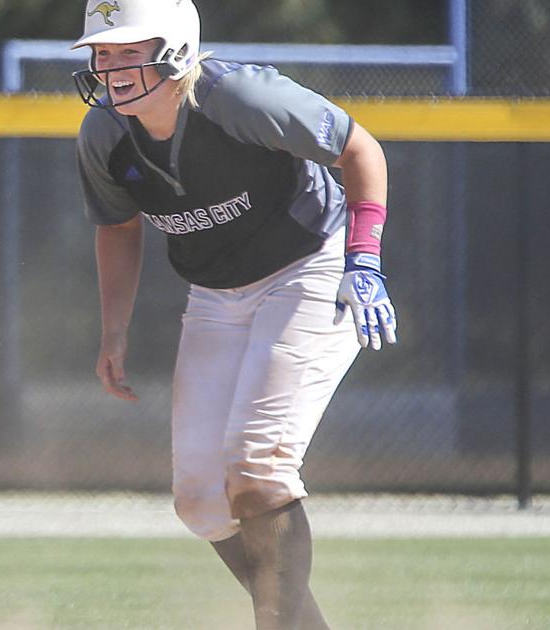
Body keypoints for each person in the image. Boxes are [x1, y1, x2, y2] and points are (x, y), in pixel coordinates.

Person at [72, 1, 398, 628]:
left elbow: (361, 150)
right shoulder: (106, 134)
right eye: (102, 53)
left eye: (128, 50)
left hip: (309, 264)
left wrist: (366, 259)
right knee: (199, 501)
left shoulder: (238, 97)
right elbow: (116, 227)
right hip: (219, 294)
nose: (110, 68)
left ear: (176, 50)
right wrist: (114, 331)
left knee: (259, 468)